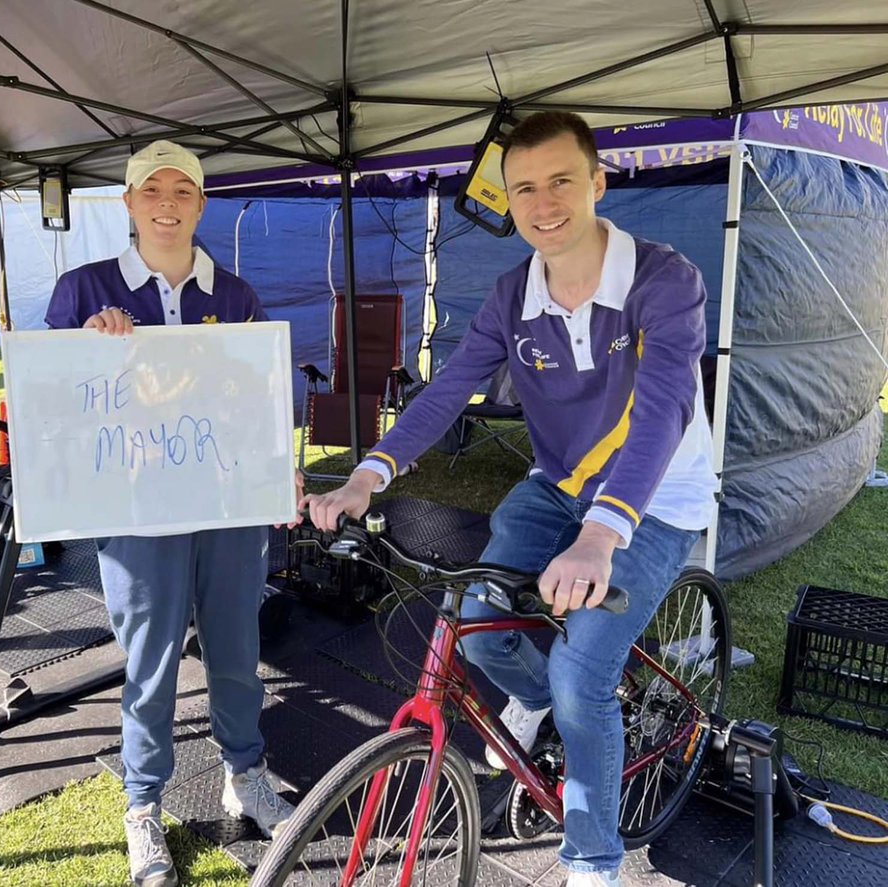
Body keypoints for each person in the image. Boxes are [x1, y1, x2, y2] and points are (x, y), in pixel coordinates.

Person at [302, 111, 716, 887]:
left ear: (598, 182)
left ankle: (594, 859)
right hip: (556, 483)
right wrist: (370, 472)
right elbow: (446, 392)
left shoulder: (665, 280)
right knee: (481, 628)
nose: (543, 201)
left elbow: (662, 412)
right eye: (523, 187)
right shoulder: (510, 294)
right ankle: (547, 707)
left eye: (561, 180)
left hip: (654, 498)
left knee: (580, 673)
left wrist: (600, 535)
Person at [45, 140, 294, 887]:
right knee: (149, 664)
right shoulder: (85, 289)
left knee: (234, 643)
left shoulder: (237, 294)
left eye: (182, 189)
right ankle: (143, 804)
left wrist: (277, 475)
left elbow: (256, 397)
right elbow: (50, 400)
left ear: (201, 203)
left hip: (225, 504)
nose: (166, 202)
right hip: (134, 509)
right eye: (150, 189)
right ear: (126, 203)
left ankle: (243, 772)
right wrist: (85, 355)